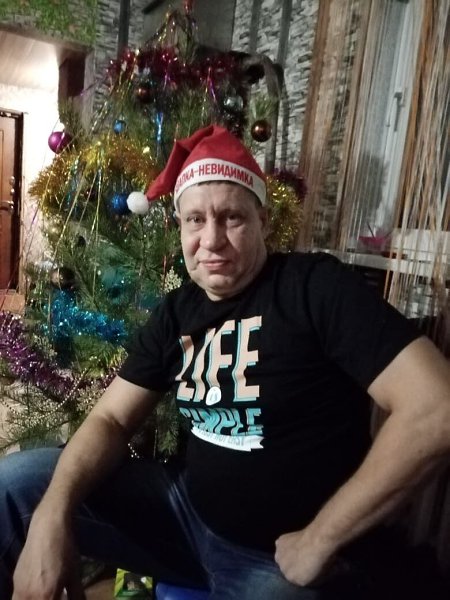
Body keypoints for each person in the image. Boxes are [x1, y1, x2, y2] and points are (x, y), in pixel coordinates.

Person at [1, 125, 450, 600]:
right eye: (195, 219)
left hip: (279, 558)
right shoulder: (176, 312)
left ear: (263, 221)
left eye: (231, 217)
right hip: (184, 517)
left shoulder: (314, 287)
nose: (211, 239)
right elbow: (111, 418)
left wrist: (321, 539)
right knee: (16, 485)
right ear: (179, 227)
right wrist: (52, 514)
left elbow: (435, 408)